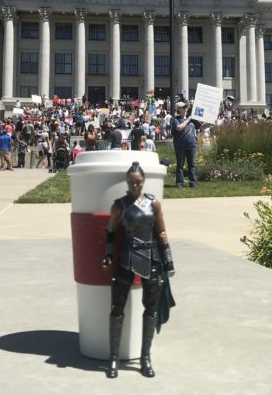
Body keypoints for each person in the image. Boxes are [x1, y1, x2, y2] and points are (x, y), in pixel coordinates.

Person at [102, 162, 175, 379]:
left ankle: (145, 357)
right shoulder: (120, 205)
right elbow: (110, 231)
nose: (135, 186)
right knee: (117, 308)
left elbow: (161, 232)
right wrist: (108, 255)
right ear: (127, 182)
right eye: (132, 182)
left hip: (152, 257)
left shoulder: (153, 204)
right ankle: (113, 357)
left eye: (139, 182)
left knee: (151, 310)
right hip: (127, 257)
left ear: (143, 182)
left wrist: (168, 259)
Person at [171, 101, 197, 188]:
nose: (185, 109)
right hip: (180, 145)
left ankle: (192, 182)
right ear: (178, 109)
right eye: (183, 107)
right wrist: (188, 119)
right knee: (180, 164)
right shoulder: (175, 120)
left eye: (186, 107)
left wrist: (210, 123)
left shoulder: (191, 119)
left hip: (191, 144)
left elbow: (200, 127)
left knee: (192, 164)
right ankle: (180, 183)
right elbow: (179, 127)